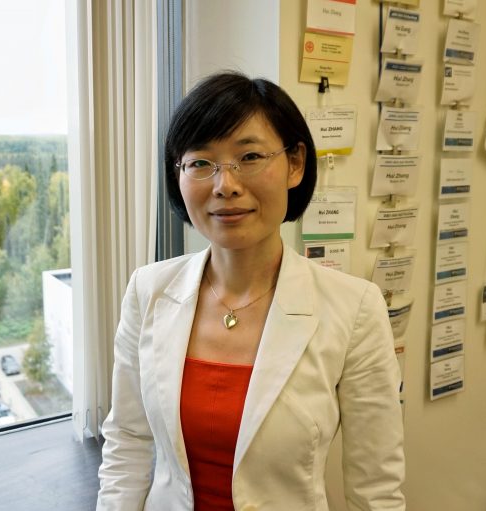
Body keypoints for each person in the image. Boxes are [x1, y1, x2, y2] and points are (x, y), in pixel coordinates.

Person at [96, 72, 405, 510]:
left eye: (250, 156)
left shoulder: (354, 309)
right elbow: (126, 442)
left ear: (295, 164)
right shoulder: (148, 291)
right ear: (178, 174)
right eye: (201, 163)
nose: (226, 184)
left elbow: (376, 488)